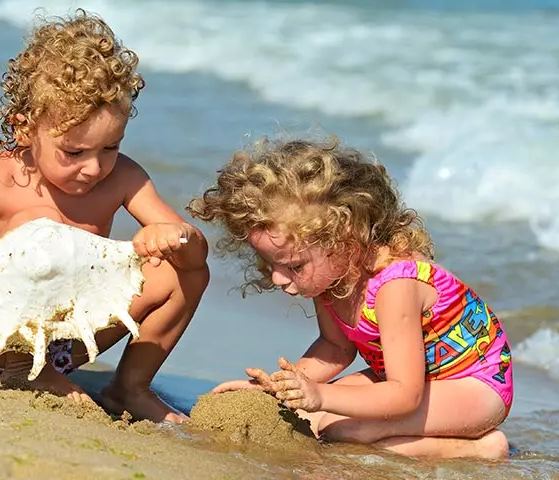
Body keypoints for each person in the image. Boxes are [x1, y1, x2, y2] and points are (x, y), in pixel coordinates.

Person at [0, 9, 209, 424]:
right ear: (24, 130)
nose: (94, 167)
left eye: (110, 147)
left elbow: (192, 256)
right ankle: (26, 372)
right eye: (74, 152)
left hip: (78, 330)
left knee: (181, 272)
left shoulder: (124, 177)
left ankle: (130, 387)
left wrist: (176, 237)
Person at [187, 136, 512, 458]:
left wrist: (319, 394)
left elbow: (404, 395)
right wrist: (278, 390)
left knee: (342, 431)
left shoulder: (394, 285)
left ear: (344, 240)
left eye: (293, 265)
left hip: (475, 388)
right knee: (310, 418)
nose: (276, 278)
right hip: (414, 381)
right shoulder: (331, 276)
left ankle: (482, 448)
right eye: (271, 263)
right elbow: (335, 348)